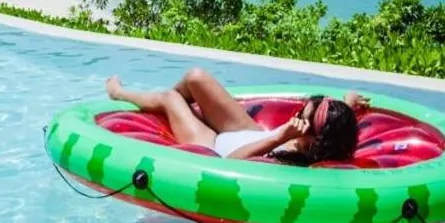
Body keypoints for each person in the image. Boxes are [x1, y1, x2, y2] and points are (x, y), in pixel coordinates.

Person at [105, 68, 368, 165]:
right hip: (249, 132)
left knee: (170, 98)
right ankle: (179, 115)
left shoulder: (293, 163)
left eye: (302, 119)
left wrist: (279, 137)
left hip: (213, 147)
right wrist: (348, 102)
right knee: (196, 77)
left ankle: (119, 93)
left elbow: (230, 162)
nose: (295, 118)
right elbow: (333, 125)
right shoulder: (321, 138)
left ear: (317, 141)